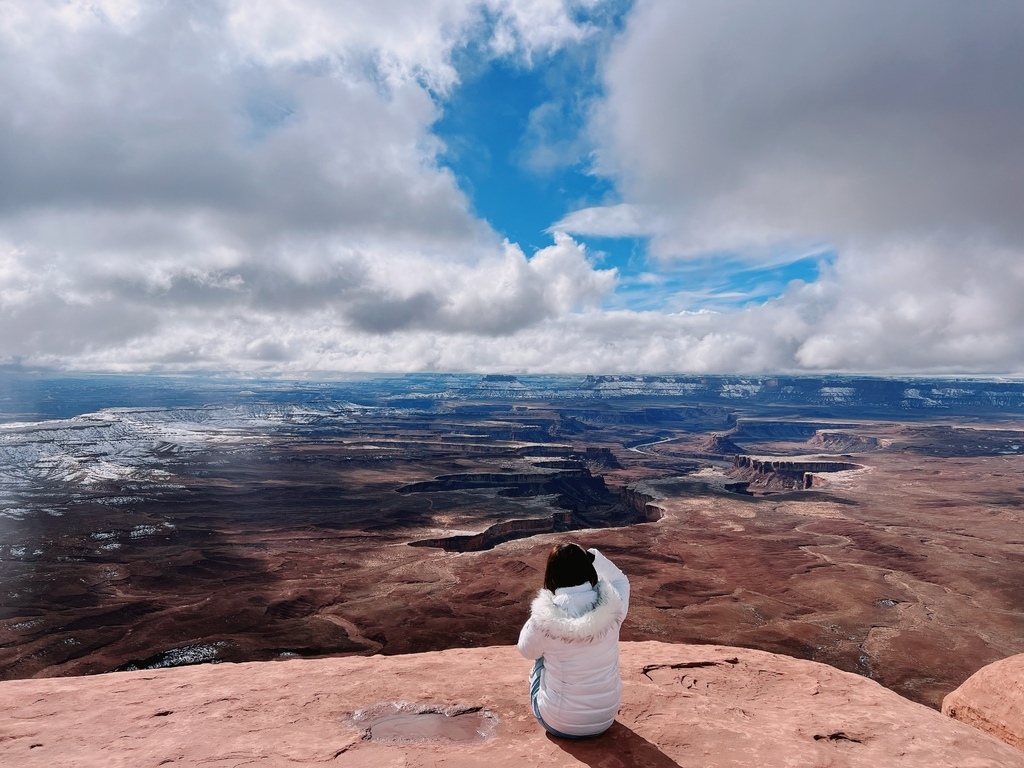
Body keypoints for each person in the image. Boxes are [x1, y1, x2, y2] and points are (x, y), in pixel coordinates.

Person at [517, 542, 630, 738]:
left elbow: (526, 651)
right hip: (605, 718)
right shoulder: (615, 607)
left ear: (551, 576)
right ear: (588, 569)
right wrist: (594, 557)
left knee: (540, 657)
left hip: (559, 723)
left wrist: (540, 610)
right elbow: (620, 580)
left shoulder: (544, 619)